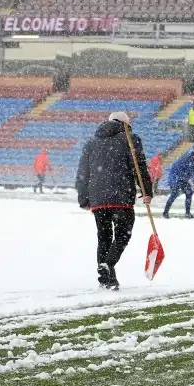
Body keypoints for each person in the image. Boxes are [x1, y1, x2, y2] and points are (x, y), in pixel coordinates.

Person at [76, 112, 153, 290]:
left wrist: (83, 198)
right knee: (123, 235)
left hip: (98, 198)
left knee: (104, 237)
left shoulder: (91, 142)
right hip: (121, 196)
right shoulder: (130, 138)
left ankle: (106, 278)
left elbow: (83, 172)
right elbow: (139, 167)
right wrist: (147, 191)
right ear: (125, 124)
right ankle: (108, 265)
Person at [163, 148, 194, 219]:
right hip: (175, 177)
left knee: (189, 193)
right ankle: (165, 213)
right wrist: (187, 178)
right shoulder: (186, 158)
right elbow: (179, 170)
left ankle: (187, 214)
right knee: (174, 194)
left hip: (185, 179)